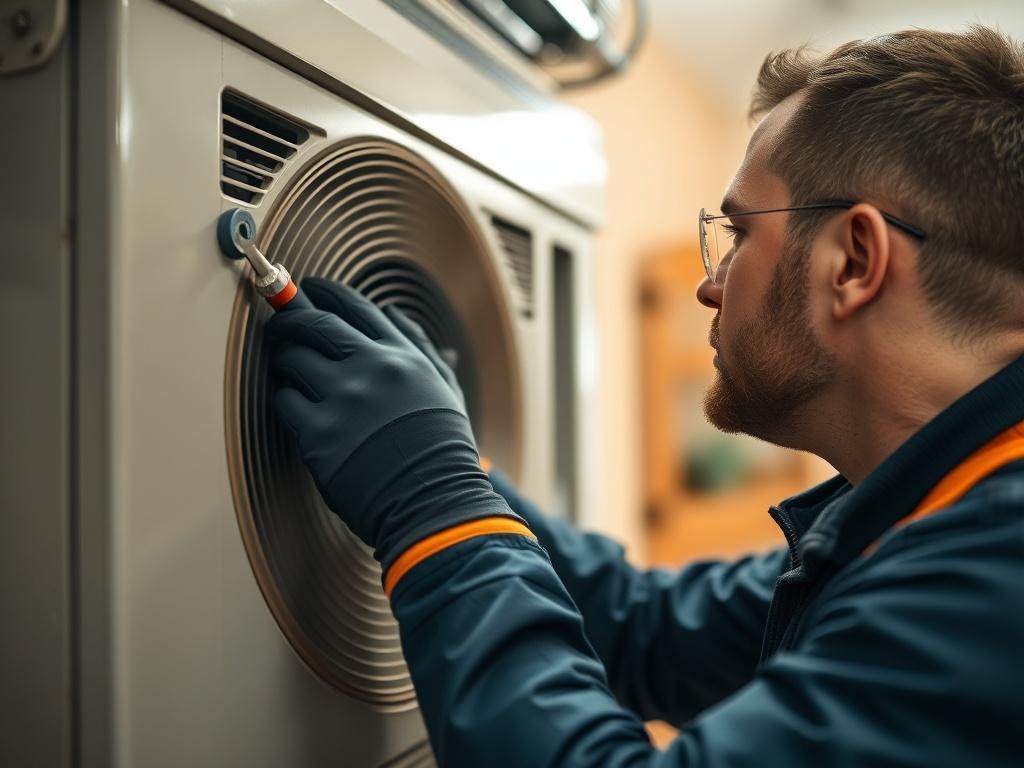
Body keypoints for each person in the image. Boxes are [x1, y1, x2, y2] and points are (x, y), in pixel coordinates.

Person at [264, 26, 1024, 767]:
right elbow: (644, 629)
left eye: (738, 235)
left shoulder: (991, 577)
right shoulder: (919, 515)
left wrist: (431, 501)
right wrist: (446, 459)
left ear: (853, 261)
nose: (709, 286)